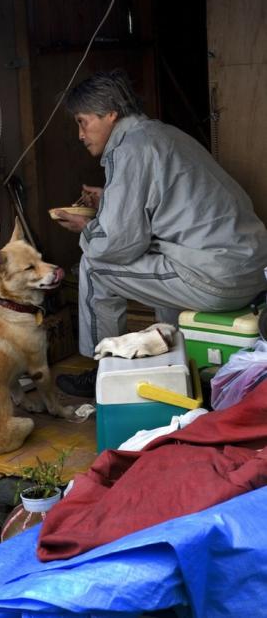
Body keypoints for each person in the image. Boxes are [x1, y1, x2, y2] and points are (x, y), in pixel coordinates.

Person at [53, 69, 267, 397]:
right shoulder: (162, 134)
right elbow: (159, 209)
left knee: (94, 266)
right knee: (156, 255)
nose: (80, 134)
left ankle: (102, 373)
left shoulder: (129, 149)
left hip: (218, 279)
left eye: (83, 121)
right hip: (251, 271)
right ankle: (172, 364)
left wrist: (88, 227)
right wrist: (110, 201)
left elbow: (117, 245)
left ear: (110, 114)